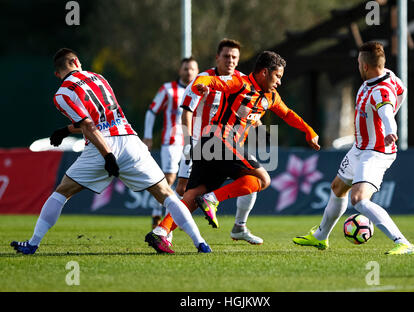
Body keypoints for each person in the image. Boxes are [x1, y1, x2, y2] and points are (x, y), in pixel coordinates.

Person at [10, 48, 211, 255]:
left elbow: (90, 126)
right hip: (130, 141)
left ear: (57, 74)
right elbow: (104, 115)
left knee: (62, 192)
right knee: (166, 194)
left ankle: (33, 243)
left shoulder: (61, 94)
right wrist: (67, 130)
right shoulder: (99, 77)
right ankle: (201, 243)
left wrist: (107, 156)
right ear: (77, 62)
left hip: (101, 146)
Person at [150, 50, 320, 253]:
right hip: (219, 140)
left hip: (208, 144)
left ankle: (161, 232)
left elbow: (288, 114)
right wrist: (198, 84)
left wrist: (308, 131)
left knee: (193, 195)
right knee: (263, 179)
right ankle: (214, 201)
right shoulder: (240, 83)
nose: (280, 82)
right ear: (264, 72)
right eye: (278, 76)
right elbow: (211, 80)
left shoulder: (271, 97)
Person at [292, 41, 414, 255]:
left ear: (366, 66)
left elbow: (387, 113)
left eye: (359, 62)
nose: (357, 65)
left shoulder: (380, 91)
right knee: (337, 188)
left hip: (375, 153)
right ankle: (321, 237)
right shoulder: (387, 76)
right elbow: (402, 91)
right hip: (359, 149)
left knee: (358, 199)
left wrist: (390, 130)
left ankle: (403, 243)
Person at [155, 39, 263, 245]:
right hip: (200, 143)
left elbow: (247, 111)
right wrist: (188, 143)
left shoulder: (242, 81)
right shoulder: (203, 79)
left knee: (251, 178)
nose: (230, 60)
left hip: (227, 144)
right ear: (217, 57)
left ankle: (240, 226)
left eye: (234, 57)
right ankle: (165, 230)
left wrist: (254, 118)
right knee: (183, 189)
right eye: (226, 56)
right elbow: (186, 111)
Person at [142, 57, 199, 229]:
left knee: (187, 182)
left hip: (192, 141)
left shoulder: (201, 90)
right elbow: (152, 111)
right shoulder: (168, 89)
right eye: (186, 68)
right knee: (170, 178)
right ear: (180, 70)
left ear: (197, 71)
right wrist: (148, 136)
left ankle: (174, 216)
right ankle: (156, 213)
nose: (189, 72)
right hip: (171, 140)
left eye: (192, 69)